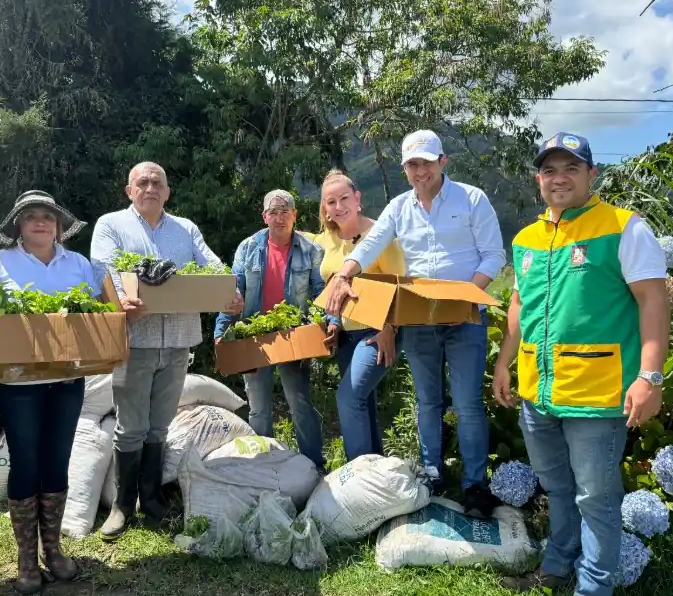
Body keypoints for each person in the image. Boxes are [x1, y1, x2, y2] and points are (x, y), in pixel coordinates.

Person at [492, 133, 669, 596]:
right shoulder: (526, 238)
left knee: (597, 496)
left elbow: (652, 302)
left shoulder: (622, 227)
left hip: (596, 394)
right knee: (557, 487)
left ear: (592, 174)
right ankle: (556, 565)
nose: (560, 177)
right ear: (538, 179)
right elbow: (520, 308)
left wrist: (650, 376)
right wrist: (505, 362)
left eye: (571, 167)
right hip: (538, 393)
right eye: (550, 170)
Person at [325, 130, 506, 517]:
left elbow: (493, 256)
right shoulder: (399, 208)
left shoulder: (471, 199)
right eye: (412, 164)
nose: (419, 170)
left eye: (426, 162)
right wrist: (345, 274)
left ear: (443, 162)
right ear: (405, 169)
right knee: (428, 401)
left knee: (469, 403)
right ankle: (432, 474)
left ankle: (475, 485)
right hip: (420, 318)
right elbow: (369, 245)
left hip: (466, 315)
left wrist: (466, 297)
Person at [91, 162, 242, 540]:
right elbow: (103, 268)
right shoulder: (111, 225)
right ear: (129, 190)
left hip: (178, 340)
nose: (150, 187)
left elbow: (211, 264)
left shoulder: (185, 229)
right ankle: (123, 506)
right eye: (142, 182)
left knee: (160, 424)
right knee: (130, 426)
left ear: (168, 191)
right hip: (134, 341)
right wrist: (123, 296)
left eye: (158, 182)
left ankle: (152, 497)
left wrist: (226, 290)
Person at [0, 190, 105, 595]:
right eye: (32, 217)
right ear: (19, 227)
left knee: (57, 463)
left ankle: (54, 550)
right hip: (19, 385)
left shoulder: (78, 263)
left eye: (48, 217)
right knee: (25, 464)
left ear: (59, 226)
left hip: (67, 382)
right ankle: (27, 558)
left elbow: (100, 314)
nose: (41, 223)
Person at [214, 189, 329, 469]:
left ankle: (313, 466)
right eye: (273, 212)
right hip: (254, 337)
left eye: (285, 211)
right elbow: (235, 288)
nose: (279, 218)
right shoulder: (248, 247)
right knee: (259, 406)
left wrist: (326, 324)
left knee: (300, 402)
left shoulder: (310, 250)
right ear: (265, 216)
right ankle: (263, 466)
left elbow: (319, 292)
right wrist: (221, 330)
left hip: (293, 334)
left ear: (295, 215)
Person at [313, 170, 405, 460]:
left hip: (376, 332)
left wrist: (390, 329)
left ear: (357, 198)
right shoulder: (324, 240)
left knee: (348, 398)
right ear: (324, 208)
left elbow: (401, 284)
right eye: (331, 202)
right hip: (344, 335)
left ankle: (359, 476)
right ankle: (375, 469)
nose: (339, 207)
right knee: (363, 402)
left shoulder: (381, 235)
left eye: (344, 198)